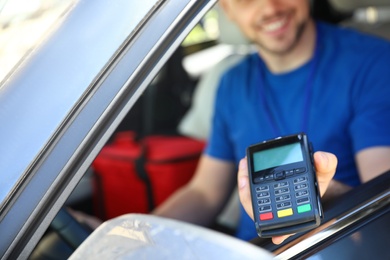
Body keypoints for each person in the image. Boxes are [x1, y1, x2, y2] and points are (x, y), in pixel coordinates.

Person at [153, 0, 390, 241]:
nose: (269, 8)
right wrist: (142, 237)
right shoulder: (231, 83)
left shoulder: (374, 63)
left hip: (337, 244)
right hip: (252, 249)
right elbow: (204, 193)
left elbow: (382, 204)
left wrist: (318, 192)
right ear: (227, 9)